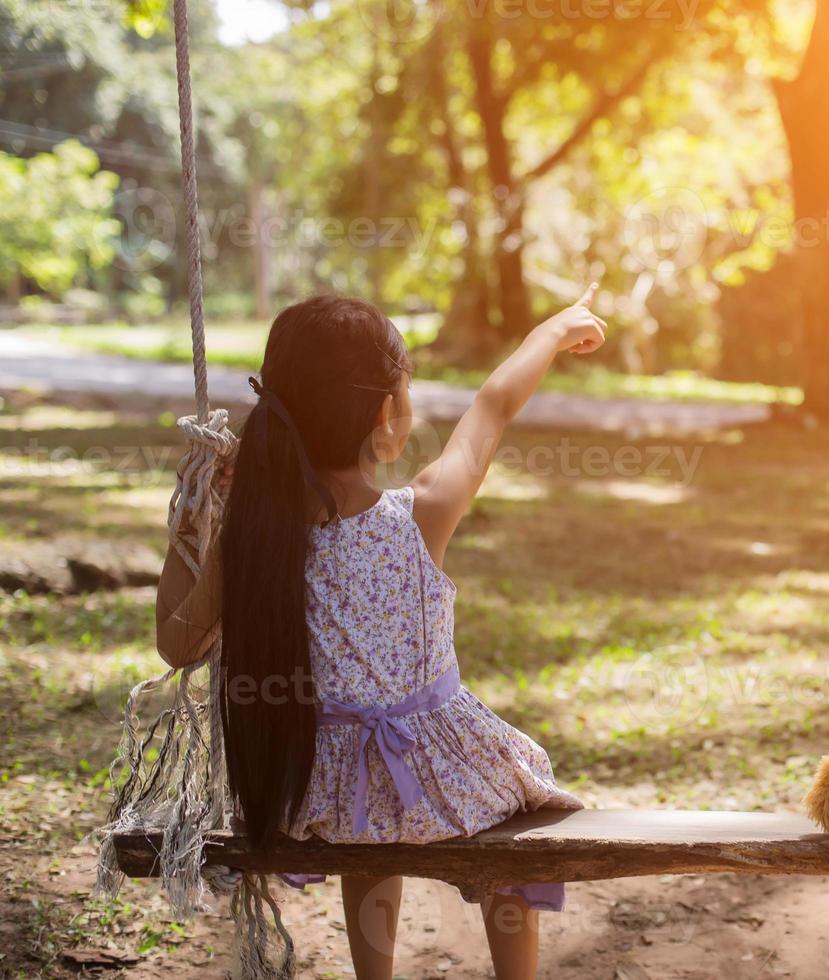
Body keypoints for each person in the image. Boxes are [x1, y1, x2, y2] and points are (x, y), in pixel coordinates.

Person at [155, 287, 607, 979]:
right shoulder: (422, 511)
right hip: (438, 781)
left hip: (326, 792)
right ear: (384, 413)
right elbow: (491, 408)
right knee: (519, 792)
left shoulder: (259, 539)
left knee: (373, 800)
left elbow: (177, 645)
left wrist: (198, 520)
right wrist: (548, 334)